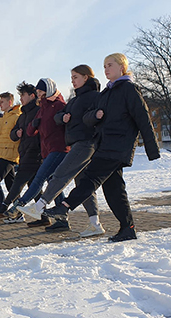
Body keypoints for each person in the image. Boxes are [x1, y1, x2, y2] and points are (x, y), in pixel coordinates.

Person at [43, 53, 160, 242]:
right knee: (114, 189)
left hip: (118, 145)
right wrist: (96, 116)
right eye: (104, 66)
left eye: (110, 65)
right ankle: (127, 228)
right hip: (105, 144)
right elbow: (88, 118)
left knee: (91, 177)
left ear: (121, 67)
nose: (106, 69)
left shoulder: (129, 89)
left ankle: (64, 207)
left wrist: (152, 149)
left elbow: (143, 117)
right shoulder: (106, 92)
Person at [17, 65, 105, 237]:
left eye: (75, 77)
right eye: (71, 77)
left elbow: (99, 115)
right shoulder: (74, 99)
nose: (72, 80)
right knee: (83, 185)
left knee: (60, 174)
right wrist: (63, 118)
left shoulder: (95, 97)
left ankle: (38, 206)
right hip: (72, 143)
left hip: (85, 143)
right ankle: (95, 224)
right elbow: (60, 116)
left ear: (86, 78)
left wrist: (93, 117)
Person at [3, 78, 69, 231]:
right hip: (47, 150)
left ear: (49, 90)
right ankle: (62, 220)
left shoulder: (59, 105)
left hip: (58, 148)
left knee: (40, 178)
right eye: (38, 92)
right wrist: (33, 126)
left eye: (41, 92)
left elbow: (63, 125)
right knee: (55, 183)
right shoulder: (42, 109)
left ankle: (19, 205)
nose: (39, 95)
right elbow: (30, 132)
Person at [0, 81, 45, 224]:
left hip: (34, 152)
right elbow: (13, 134)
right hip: (24, 152)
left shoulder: (37, 111)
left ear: (31, 96)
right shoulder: (23, 115)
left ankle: (5, 206)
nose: (21, 98)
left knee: (19, 181)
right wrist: (16, 134)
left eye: (22, 95)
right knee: (34, 186)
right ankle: (45, 217)